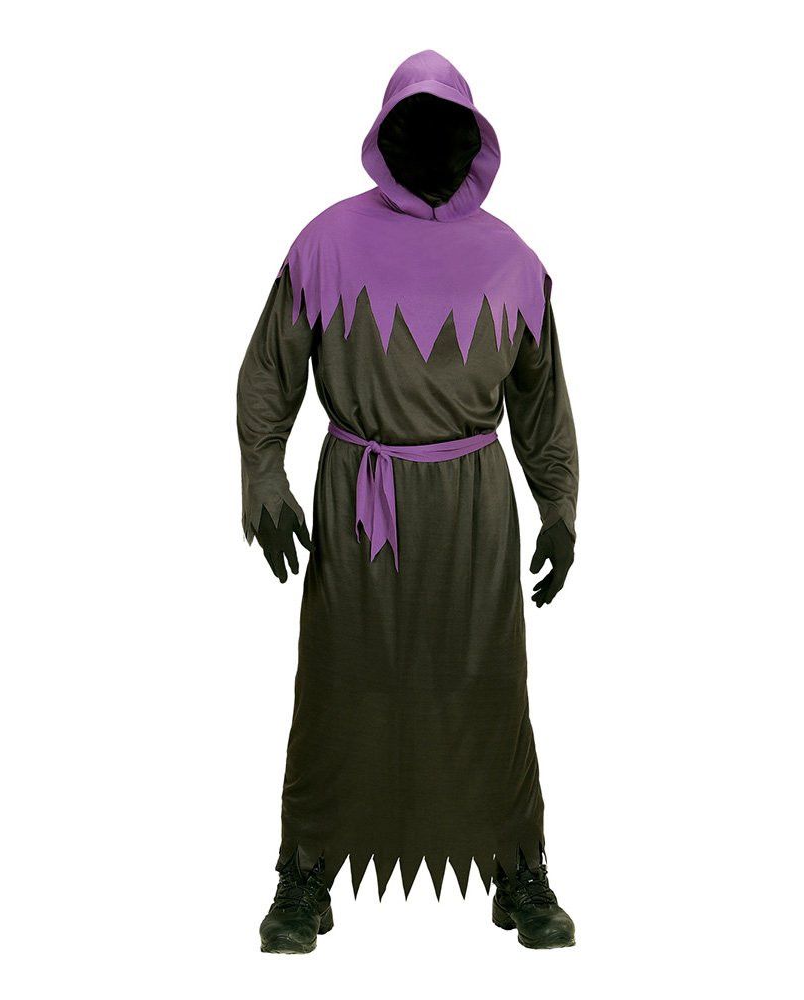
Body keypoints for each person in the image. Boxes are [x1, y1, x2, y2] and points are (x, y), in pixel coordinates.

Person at [237, 50, 579, 953]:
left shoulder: (514, 262)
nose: (431, 142)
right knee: (341, 681)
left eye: (446, 126)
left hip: (473, 507)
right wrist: (263, 477)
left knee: (486, 682)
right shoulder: (324, 244)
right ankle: (305, 875)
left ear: (476, 141)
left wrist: (559, 507)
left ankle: (519, 868)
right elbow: (271, 370)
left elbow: (542, 400)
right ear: (384, 135)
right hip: (360, 500)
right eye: (414, 125)